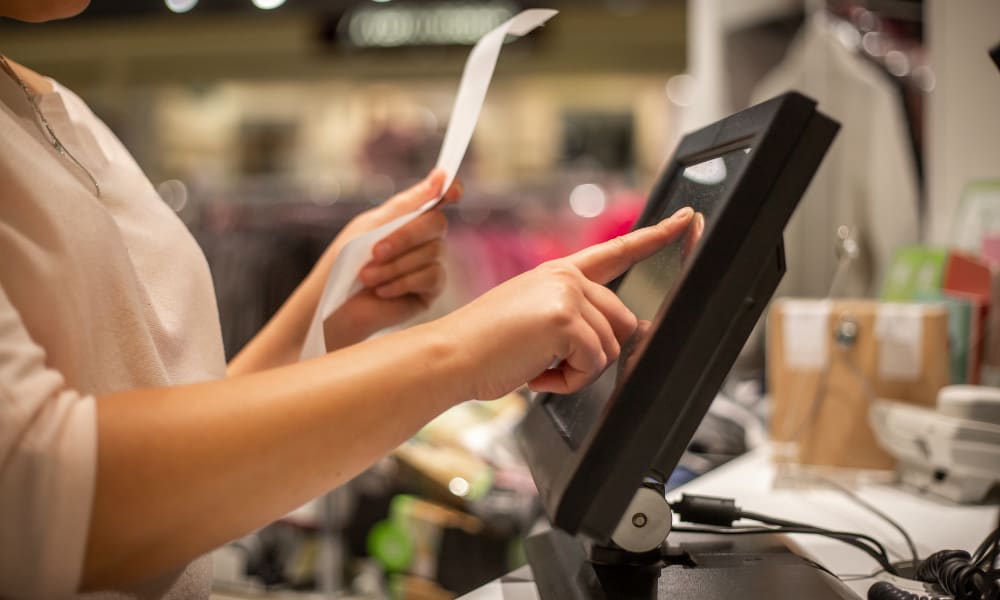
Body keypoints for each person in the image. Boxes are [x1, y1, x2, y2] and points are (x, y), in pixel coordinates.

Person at [0, 1, 696, 597]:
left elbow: (177, 448)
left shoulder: (62, 111)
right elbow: (38, 496)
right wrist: (456, 349)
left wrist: (325, 307)